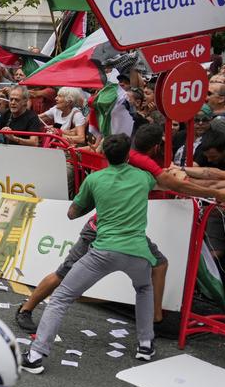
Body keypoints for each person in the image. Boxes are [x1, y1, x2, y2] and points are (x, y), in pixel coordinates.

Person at [13, 125, 225, 336]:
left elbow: (73, 212)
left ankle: (156, 319)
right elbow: (175, 185)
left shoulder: (116, 170)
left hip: (127, 231)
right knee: (64, 274)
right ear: (155, 147)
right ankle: (26, 308)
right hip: (103, 230)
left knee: (160, 263)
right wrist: (215, 194)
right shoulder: (142, 166)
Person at [22, 134, 158, 374]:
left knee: (62, 297)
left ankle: (35, 355)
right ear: (129, 155)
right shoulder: (143, 178)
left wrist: (96, 201)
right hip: (138, 251)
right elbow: (164, 181)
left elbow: (72, 213)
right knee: (144, 289)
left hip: (104, 249)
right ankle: (145, 345)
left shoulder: (94, 179)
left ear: (103, 154)